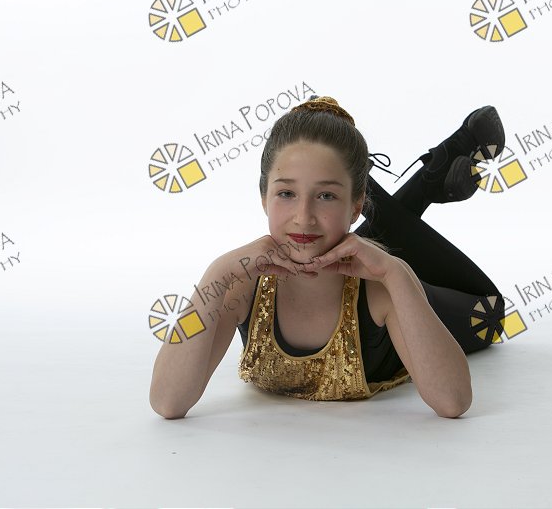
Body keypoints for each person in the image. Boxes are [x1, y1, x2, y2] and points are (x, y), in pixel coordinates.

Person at [149, 96, 506, 419]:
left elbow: (452, 402)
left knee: (491, 315)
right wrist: (215, 273)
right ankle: (432, 178)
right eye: (286, 193)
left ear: (357, 208)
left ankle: (428, 180)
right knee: (331, 232)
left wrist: (397, 274)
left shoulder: (381, 289)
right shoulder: (242, 286)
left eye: (326, 196)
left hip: (425, 295)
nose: (303, 217)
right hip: (351, 239)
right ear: (263, 198)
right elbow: (167, 402)